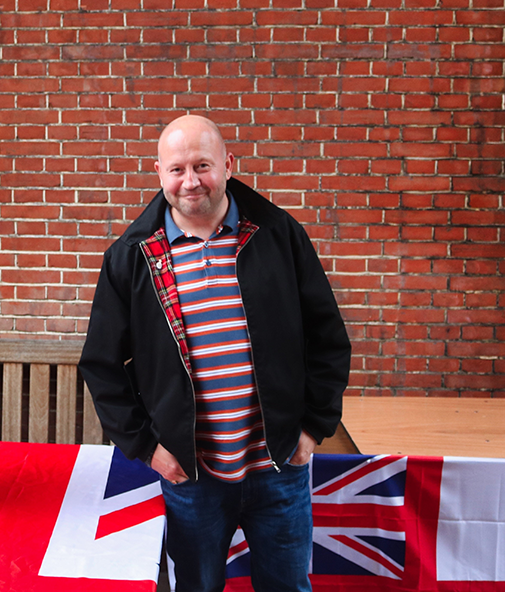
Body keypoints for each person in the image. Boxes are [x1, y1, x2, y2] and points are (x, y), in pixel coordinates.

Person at [79, 115, 350, 592]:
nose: (190, 181)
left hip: (280, 467)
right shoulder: (132, 256)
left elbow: (328, 336)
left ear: (228, 164)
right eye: (177, 169)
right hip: (192, 476)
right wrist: (147, 448)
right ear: (158, 172)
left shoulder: (278, 235)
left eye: (202, 165)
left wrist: (312, 427)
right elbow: (101, 366)